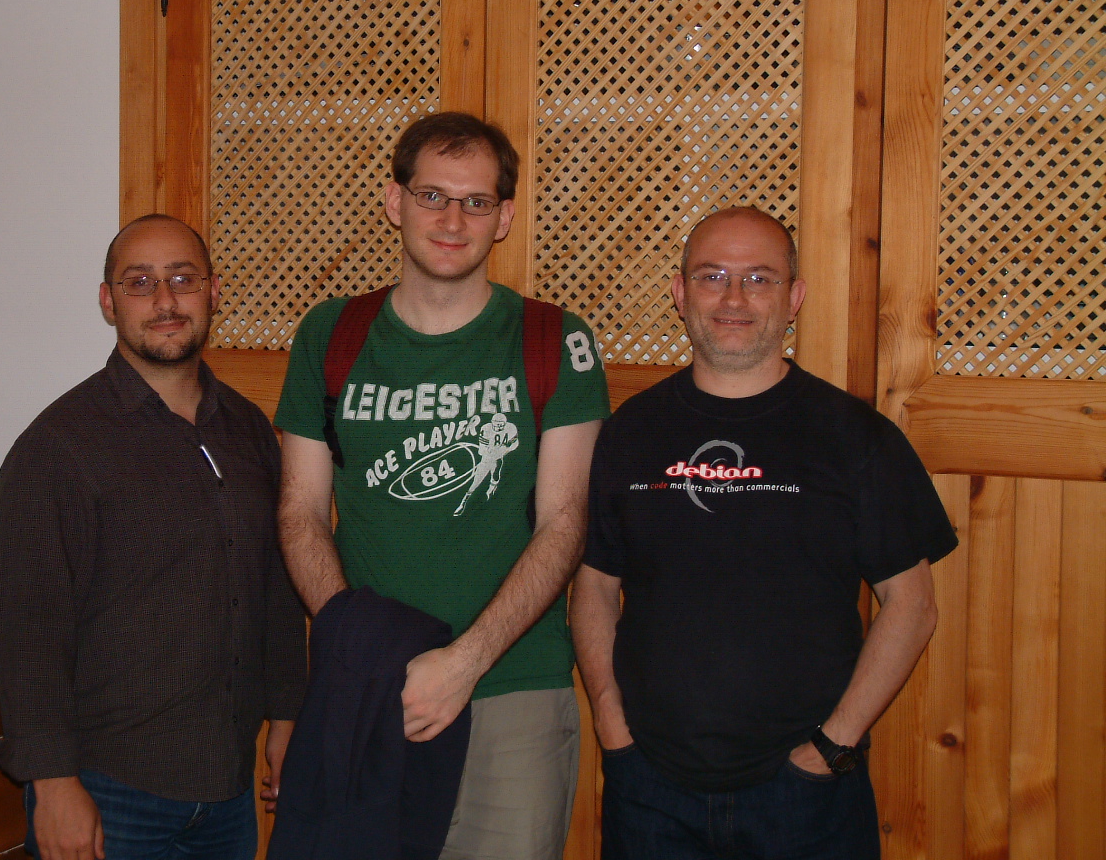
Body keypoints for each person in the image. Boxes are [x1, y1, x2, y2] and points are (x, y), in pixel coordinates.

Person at [570, 207, 958, 860]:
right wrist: (612, 728)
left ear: (794, 298)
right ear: (680, 293)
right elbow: (595, 586)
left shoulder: (856, 437)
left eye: (759, 279)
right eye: (712, 276)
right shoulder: (631, 432)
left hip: (808, 794)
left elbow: (913, 606)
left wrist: (831, 747)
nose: (734, 298)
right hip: (649, 791)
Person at [274, 112, 610, 860]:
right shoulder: (330, 335)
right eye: (432, 196)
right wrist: (364, 649)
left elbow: (565, 522)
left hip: (512, 691)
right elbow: (300, 513)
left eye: (476, 202)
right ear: (395, 202)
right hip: (367, 689)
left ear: (504, 217)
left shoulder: (556, 340)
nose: (452, 221)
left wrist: (463, 663)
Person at [0, 215, 307, 860]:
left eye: (183, 279)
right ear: (109, 302)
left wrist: (286, 715)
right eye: (139, 282)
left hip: (226, 794)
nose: (165, 301)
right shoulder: (58, 447)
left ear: (213, 291)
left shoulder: (248, 431)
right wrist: (53, 785)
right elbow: (28, 632)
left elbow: (274, 589)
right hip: (107, 793)